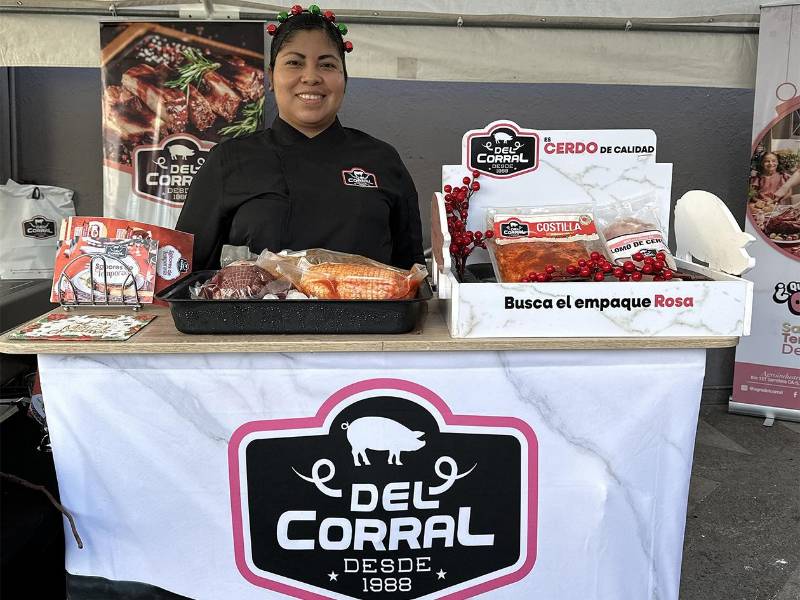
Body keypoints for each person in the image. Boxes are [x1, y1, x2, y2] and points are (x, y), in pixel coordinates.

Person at [176, 5, 424, 271]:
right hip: (258, 313)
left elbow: (411, 275)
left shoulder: (382, 160)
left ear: (344, 79)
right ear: (271, 77)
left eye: (327, 64)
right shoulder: (229, 160)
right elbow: (185, 269)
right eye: (294, 62)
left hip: (368, 313)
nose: (311, 77)